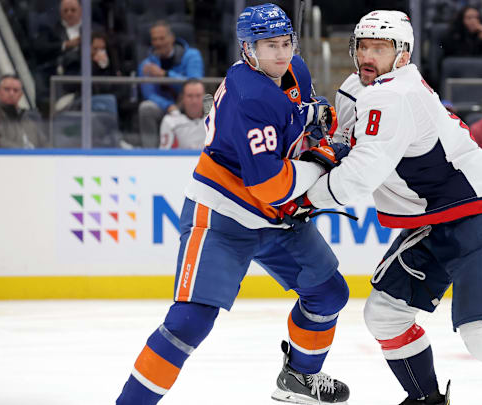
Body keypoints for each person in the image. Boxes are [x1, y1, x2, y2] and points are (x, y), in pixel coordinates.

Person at [294, 10, 482, 405]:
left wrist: (304, 197)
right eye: (363, 46)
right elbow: (344, 146)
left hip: (476, 216)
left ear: (403, 55)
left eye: (380, 47)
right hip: (434, 220)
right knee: (384, 314)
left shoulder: (393, 95)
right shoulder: (357, 89)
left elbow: (359, 175)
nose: (368, 57)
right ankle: (426, 399)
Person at [116, 4, 350, 404]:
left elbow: (296, 118)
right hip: (223, 216)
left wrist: (315, 117)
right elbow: (270, 186)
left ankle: (299, 378)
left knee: (328, 292)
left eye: (286, 43)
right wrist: (319, 161)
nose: (281, 53)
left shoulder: (294, 71)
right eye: (269, 45)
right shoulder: (249, 96)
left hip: (274, 218)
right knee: (189, 322)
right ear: (247, 48)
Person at [137, 21, 204, 148]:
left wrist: (164, 75)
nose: (158, 43)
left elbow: (195, 84)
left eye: (162, 38)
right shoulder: (147, 65)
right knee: (146, 108)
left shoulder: (192, 56)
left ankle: (201, 150)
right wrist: (169, 106)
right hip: (164, 106)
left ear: (172, 38)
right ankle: (149, 153)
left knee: (204, 103)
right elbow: (149, 94)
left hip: (187, 102)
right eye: (155, 39)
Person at [0, 74, 46, 148]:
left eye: (15, 90)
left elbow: (45, 144)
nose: (11, 93)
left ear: (20, 95)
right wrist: (24, 153)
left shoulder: (29, 120)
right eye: (7, 89)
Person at [159, 79, 207, 149]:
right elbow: (164, 154)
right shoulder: (170, 121)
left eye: (198, 96)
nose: (194, 101)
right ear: (183, 98)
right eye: (190, 96)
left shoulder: (215, 120)